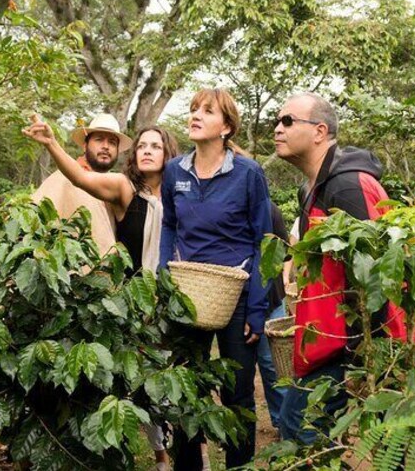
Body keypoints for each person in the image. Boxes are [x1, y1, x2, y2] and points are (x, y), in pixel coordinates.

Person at [23, 118, 179, 470]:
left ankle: (174, 453)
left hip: (166, 298)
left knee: (164, 377)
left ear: (168, 154)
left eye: (155, 146)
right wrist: (51, 144)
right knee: (126, 377)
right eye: (142, 146)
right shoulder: (123, 188)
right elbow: (78, 180)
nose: (147, 151)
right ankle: (142, 454)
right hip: (123, 300)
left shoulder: (176, 195)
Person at [159, 88, 273, 470]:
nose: (195, 116)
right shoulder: (174, 171)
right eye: (194, 109)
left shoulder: (248, 173)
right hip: (188, 292)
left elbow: (263, 241)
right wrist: (164, 274)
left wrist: (256, 307)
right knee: (185, 388)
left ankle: (239, 465)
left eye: (207, 111)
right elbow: (170, 225)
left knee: (237, 392)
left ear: (226, 127)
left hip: (235, 294)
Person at [273, 92, 393, 444]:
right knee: (303, 425)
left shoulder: (348, 185)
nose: (277, 129)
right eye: (277, 121)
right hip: (330, 339)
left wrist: (364, 358)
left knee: (385, 436)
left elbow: (374, 275)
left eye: (288, 121)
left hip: (361, 341)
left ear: (319, 131)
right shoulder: (309, 188)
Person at [29, 113, 131, 254]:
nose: (106, 146)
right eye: (99, 140)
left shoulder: (117, 186)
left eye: (112, 142)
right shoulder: (63, 179)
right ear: (85, 146)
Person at [256, 202, 290, 433]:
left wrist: (285, 279)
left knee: (274, 365)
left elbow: (285, 251)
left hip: (272, 297)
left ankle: (284, 423)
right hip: (240, 300)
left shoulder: (269, 210)